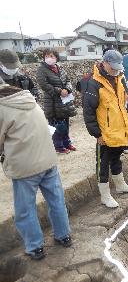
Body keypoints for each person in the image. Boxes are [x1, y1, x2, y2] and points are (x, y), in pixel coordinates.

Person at [0, 77, 72, 260]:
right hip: (48, 160)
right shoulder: (28, 99)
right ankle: (64, 236)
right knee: (56, 201)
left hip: (25, 167)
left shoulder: (2, 107)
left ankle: (35, 247)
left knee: (25, 209)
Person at [83, 50, 128, 208]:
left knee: (116, 158)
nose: (115, 70)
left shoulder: (119, 78)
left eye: (117, 67)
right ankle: (105, 195)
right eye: (113, 67)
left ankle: (120, 186)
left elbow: (124, 104)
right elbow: (88, 111)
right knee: (103, 163)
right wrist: (97, 133)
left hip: (119, 129)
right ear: (104, 63)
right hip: (105, 133)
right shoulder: (93, 83)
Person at [36, 48, 77, 154]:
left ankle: (67, 143)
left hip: (64, 101)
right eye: (46, 56)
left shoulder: (59, 68)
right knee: (55, 124)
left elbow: (68, 80)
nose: (49, 58)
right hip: (52, 102)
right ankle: (58, 146)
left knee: (65, 123)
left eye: (51, 56)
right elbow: (44, 84)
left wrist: (67, 89)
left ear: (56, 57)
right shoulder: (42, 69)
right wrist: (59, 91)